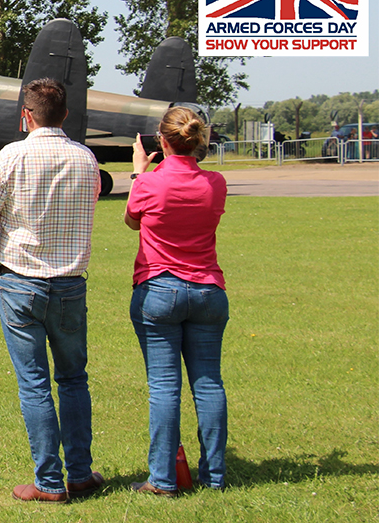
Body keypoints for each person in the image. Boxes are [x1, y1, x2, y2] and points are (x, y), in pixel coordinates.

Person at [0, 78, 103, 503]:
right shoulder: (86, 158)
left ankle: (48, 481)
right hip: (69, 284)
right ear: (64, 115)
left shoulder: (12, 155)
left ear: (26, 115)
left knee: (34, 384)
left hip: (20, 280)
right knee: (73, 380)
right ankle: (79, 473)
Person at [125, 107, 230, 496]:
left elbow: (132, 220)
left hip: (159, 289)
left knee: (165, 388)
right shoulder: (215, 182)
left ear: (161, 141)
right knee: (209, 384)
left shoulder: (150, 183)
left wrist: (139, 172)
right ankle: (214, 475)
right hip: (207, 290)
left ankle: (163, 479)